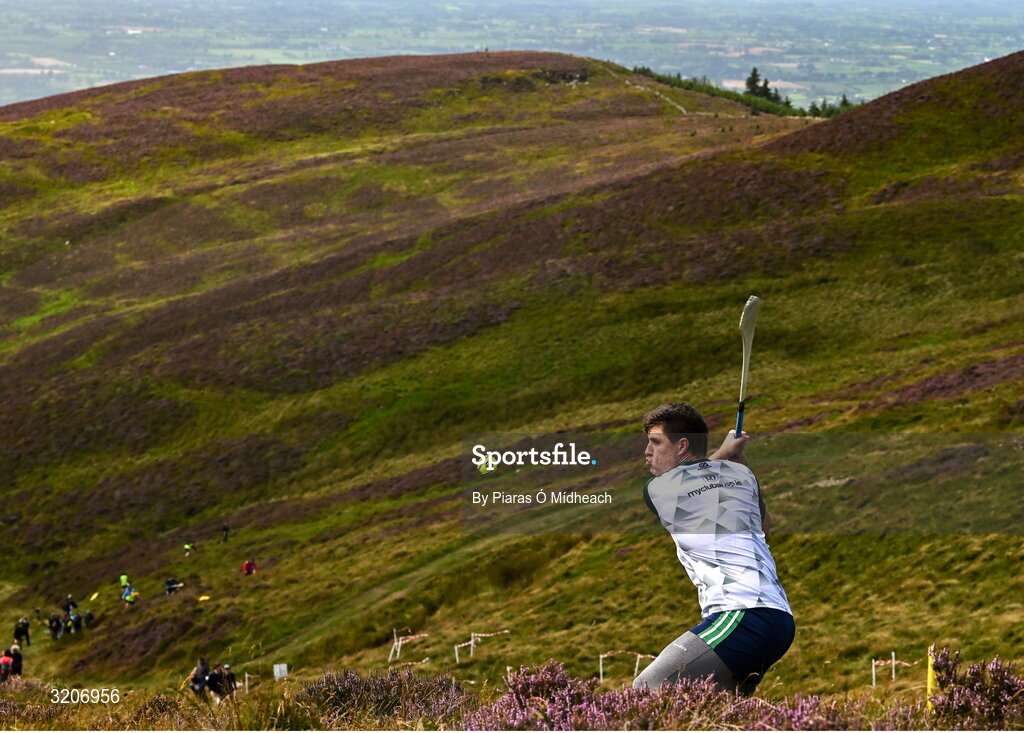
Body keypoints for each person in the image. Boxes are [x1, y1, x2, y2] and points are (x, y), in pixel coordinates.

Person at [633, 402, 795, 696]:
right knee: (719, 714)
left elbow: (697, 475)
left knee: (646, 688)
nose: (647, 452)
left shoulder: (659, 488)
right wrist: (735, 461)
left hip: (742, 614)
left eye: (655, 442)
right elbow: (764, 530)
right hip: (779, 620)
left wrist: (725, 454)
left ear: (682, 445)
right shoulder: (744, 477)